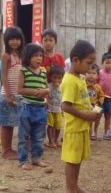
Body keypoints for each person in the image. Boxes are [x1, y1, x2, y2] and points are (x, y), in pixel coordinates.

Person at [60, 40, 100, 193]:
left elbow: (81, 100)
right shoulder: (69, 81)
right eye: (88, 63)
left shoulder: (80, 78)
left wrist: (92, 111)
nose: (90, 68)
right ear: (75, 60)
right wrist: (86, 115)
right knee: (72, 160)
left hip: (82, 127)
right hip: (74, 128)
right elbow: (66, 106)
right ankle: (71, 188)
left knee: (77, 159)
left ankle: (74, 186)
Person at [0, 26, 24, 160]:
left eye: (17, 39)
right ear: (6, 41)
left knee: (19, 122)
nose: (14, 42)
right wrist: (9, 94)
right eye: (11, 39)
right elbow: (4, 76)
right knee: (7, 124)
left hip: (20, 94)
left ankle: (16, 148)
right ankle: (6, 150)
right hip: (8, 94)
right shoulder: (6, 56)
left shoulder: (23, 56)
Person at [17, 43, 49, 170]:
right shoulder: (23, 70)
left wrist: (46, 91)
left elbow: (47, 88)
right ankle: (23, 160)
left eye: (41, 55)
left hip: (41, 108)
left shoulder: (43, 71)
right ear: (28, 57)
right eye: (36, 56)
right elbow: (19, 89)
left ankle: (36, 159)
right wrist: (35, 92)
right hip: (27, 107)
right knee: (23, 135)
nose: (39, 58)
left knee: (39, 136)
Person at [45, 66, 65, 148]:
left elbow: (63, 98)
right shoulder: (48, 86)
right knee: (50, 126)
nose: (57, 80)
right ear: (50, 77)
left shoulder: (62, 87)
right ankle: (50, 141)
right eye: (55, 77)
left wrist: (63, 109)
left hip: (58, 110)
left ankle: (56, 139)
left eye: (59, 78)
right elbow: (45, 96)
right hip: (50, 109)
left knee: (58, 126)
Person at [86, 63, 105, 140]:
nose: (91, 75)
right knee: (89, 120)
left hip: (96, 105)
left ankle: (95, 130)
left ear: (97, 76)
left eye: (93, 73)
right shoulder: (83, 85)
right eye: (89, 73)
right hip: (87, 106)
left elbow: (102, 96)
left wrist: (99, 103)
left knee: (98, 116)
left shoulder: (97, 87)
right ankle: (90, 132)